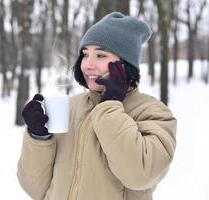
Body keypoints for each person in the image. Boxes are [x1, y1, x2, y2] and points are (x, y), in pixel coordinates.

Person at [17, 12, 177, 200]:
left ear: (124, 64)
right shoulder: (72, 107)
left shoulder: (153, 112)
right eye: (85, 55)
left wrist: (109, 106)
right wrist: (39, 137)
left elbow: (140, 175)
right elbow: (35, 189)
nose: (88, 65)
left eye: (100, 55)